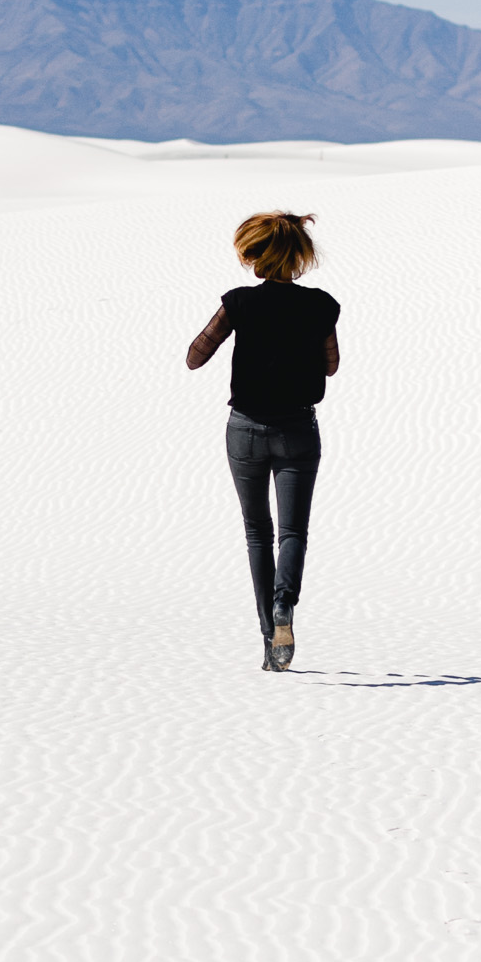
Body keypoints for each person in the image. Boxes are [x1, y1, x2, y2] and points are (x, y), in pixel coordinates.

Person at [186, 210, 341, 672]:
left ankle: (270, 641)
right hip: (298, 430)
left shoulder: (238, 303)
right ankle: (284, 606)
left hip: (246, 431)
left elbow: (195, 357)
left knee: (258, 532)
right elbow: (331, 365)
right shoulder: (321, 305)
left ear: (256, 256)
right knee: (293, 532)